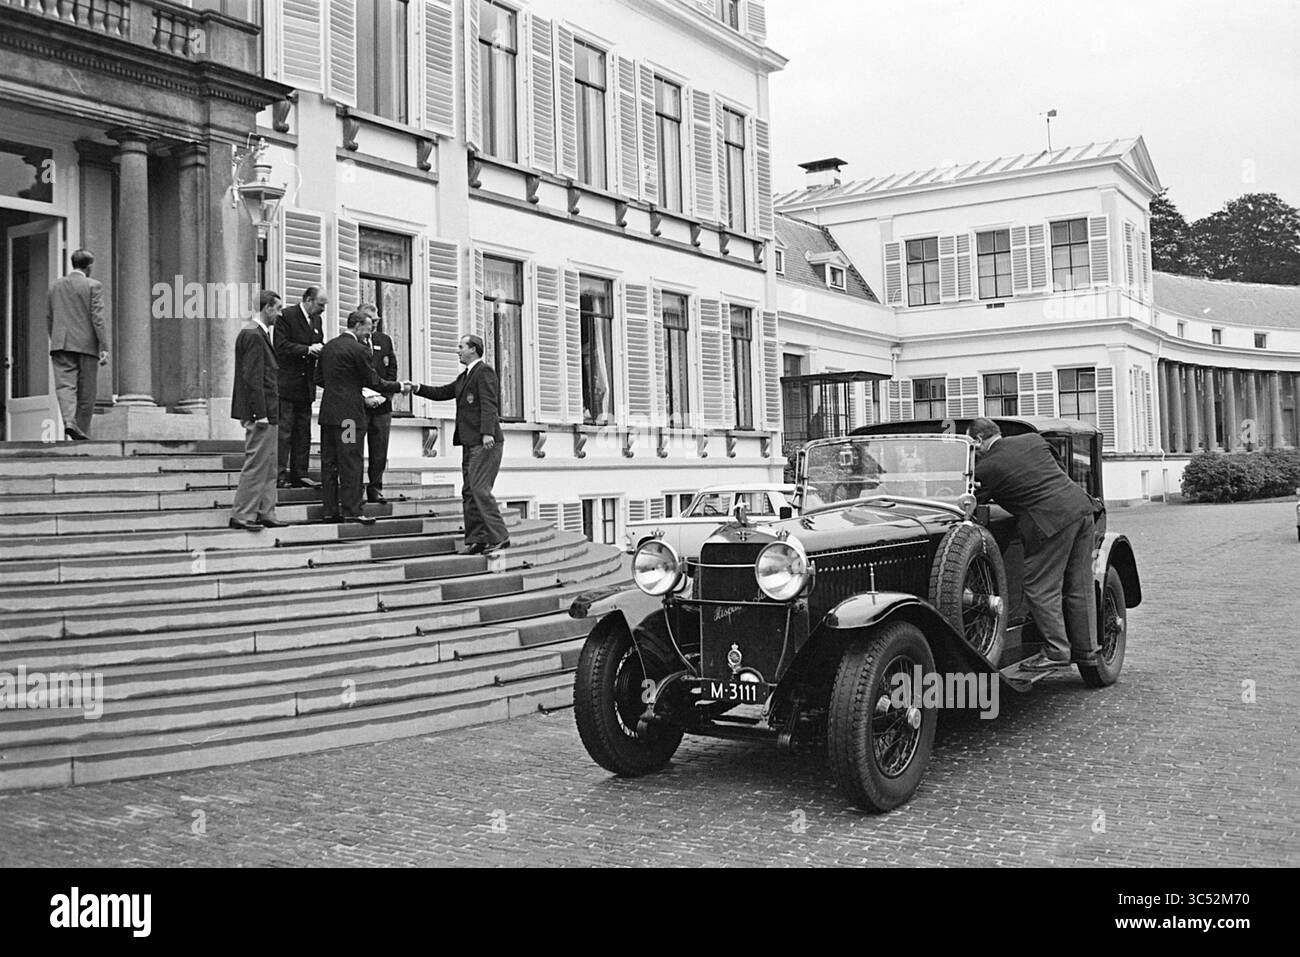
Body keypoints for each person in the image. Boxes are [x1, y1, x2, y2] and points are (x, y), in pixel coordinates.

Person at [967, 417, 1098, 669]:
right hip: (1081, 508)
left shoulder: (986, 467)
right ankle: (1087, 651)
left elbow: (971, 502)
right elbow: (1059, 469)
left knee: (1040, 587)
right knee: (1080, 586)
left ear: (979, 440)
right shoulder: (1033, 440)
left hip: (1049, 522)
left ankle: (1056, 652)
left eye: (972, 446)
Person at [408, 335, 507, 554]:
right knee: (470, 491)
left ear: (473, 349)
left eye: (461, 347)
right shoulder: (464, 377)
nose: (458, 351)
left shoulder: (484, 372)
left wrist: (487, 433)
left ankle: (500, 536)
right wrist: (417, 388)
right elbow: (442, 392)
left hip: (485, 442)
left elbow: (489, 404)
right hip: (469, 442)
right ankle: (477, 539)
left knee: (480, 490)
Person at [316, 310, 405, 525]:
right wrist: (400, 386)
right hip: (348, 418)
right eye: (368, 328)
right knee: (350, 460)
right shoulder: (359, 349)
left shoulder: (328, 347)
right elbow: (373, 381)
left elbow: (318, 378)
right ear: (357, 326)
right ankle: (352, 509)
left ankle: (330, 510)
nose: (369, 333)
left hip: (328, 415)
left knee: (329, 463)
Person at [229, 291, 290, 532]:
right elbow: (252, 378)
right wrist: (259, 413)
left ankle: (266, 511)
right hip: (261, 412)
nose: (280, 314)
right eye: (278, 308)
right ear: (267, 308)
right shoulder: (253, 335)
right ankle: (242, 514)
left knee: (270, 464)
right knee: (257, 464)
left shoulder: (257, 333)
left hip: (268, 410)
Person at [46, 248, 108, 441]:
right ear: (89, 266)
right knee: (86, 392)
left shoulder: (54, 286)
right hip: (86, 345)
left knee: (65, 387)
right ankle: (81, 431)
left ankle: (69, 422)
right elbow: (98, 319)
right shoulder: (93, 285)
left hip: (61, 344)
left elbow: (49, 317)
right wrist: (104, 346)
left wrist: (56, 339)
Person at [273, 286, 326, 488]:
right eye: (320, 305)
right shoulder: (286, 316)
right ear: (309, 300)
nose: (323, 310)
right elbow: (281, 346)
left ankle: (300, 474)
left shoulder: (316, 320)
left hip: (306, 386)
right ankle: (279, 475)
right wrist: (308, 350)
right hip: (287, 385)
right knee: (284, 432)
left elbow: (318, 342)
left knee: (303, 433)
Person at [359, 303, 397, 504]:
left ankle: (375, 487)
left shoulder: (384, 340)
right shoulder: (352, 341)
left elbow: (392, 369)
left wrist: (385, 396)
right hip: (357, 406)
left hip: (382, 406)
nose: (374, 324)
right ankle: (354, 488)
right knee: (352, 446)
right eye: (370, 320)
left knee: (380, 449)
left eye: (376, 321)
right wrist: (363, 396)